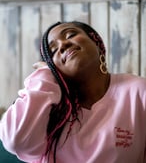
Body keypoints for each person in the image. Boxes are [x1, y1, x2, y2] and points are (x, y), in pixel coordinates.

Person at [0, 21, 146, 163]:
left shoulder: (138, 91)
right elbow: (15, 141)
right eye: (53, 51)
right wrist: (44, 75)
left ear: (96, 42)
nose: (63, 45)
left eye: (70, 35)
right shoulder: (51, 109)